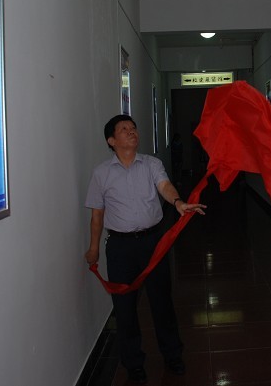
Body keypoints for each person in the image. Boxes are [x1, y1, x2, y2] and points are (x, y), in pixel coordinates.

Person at [84, 114, 206, 384]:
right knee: (124, 308)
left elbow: (165, 186)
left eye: (133, 128)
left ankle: (172, 354)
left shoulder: (152, 164)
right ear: (111, 140)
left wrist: (178, 202)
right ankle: (133, 363)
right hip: (120, 247)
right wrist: (93, 249)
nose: (132, 132)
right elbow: (97, 215)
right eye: (124, 129)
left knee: (162, 301)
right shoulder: (101, 173)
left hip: (153, 242)